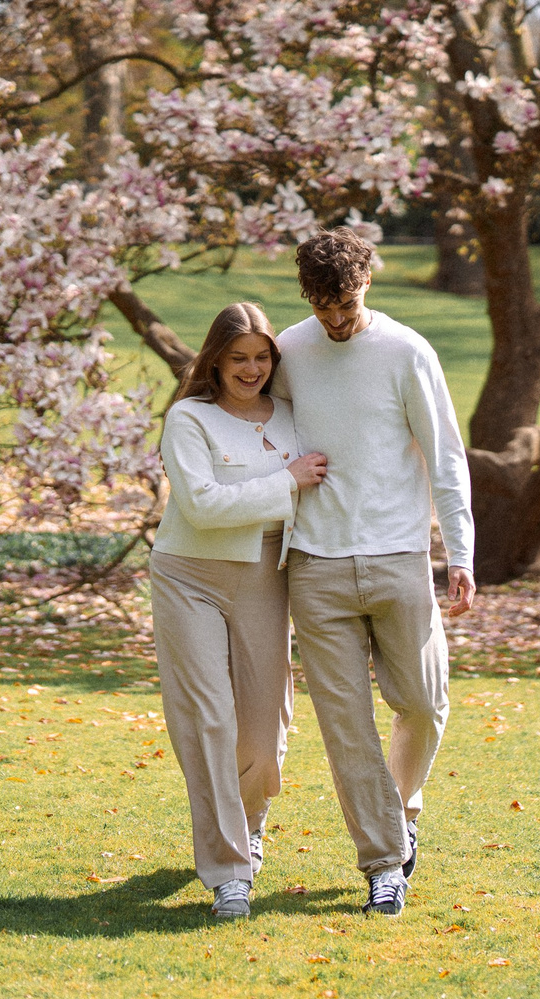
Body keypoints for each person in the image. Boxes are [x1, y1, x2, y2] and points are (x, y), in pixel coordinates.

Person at [273, 230, 475, 916]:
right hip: (316, 567)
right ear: (308, 297)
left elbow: (446, 458)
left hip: (398, 559)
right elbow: (261, 431)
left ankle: (403, 806)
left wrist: (460, 553)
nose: (336, 320)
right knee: (347, 728)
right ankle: (384, 863)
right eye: (323, 307)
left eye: (347, 304)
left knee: (422, 702)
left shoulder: (406, 351)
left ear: (367, 284)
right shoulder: (290, 351)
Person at [150, 301, 329, 919]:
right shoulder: (189, 418)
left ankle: (250, 822)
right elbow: (201, 506)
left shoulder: (293, 416)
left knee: (263, 729)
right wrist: (287, 481)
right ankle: (228, 871)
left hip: (264, 576)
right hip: (188, 574)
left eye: (261, 358)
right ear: (215, 360)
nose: (251, 370)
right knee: (209, 720)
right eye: (238, 358)